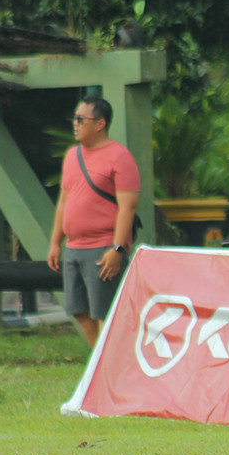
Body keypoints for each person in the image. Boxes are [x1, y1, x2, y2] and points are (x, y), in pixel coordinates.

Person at [47, 95, 140, 346]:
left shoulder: (119, 157)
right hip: (74, 247)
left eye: (81, 119)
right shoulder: (71, 156)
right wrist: (56, 241)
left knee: (104, 312)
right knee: (78, 309)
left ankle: (106, 367)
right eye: (74, 119)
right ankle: (99, 360)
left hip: (103, 247)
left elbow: (127, 207)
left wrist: (118, 248)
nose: (75, 124)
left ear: (99, 124)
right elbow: (64, 201)